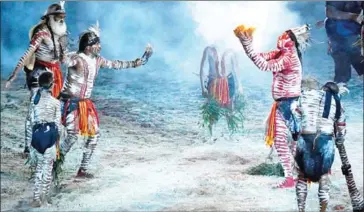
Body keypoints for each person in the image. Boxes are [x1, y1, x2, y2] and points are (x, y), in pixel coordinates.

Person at [56, 22, 152, 178]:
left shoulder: (98, 60)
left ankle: (83, 169)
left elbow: (115, 64)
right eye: (96, 44)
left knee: (94, 135)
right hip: (70, 103)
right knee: (72, 136)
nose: (99, 46)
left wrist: (136, 63)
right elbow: (64, 60)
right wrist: (62, 44)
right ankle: (56, 163)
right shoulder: (76, 58)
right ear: (88, 47)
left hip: (85, 104)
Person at [234, 24, 311, 188]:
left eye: (286, 36)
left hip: (289, 105)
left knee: (288, 141)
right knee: (283, 141)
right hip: (283, 104)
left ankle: (295, 176)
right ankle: (292, 177)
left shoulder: (289, 57)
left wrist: (247, 44)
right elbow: (259, 58)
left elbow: (264, 65)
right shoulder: (281, 54)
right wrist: (246, 44)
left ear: (291, 41)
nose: (281, 37)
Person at [4, 1, 68, 158]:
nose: (61, 20)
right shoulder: (41, 32)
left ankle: (50, 143)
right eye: (58, 17)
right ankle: (27, 146)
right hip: (39, 73)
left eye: (62, 17)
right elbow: (27, 53)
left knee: (55, 108)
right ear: (49, 18)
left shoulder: (61, 34)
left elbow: (63, 56)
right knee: (34, 109)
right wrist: (14, 74)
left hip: (54, 72)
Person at [295, 79, 346, 212]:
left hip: (305, 137)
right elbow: (341, 125)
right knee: (324, 176)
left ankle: (301, 209)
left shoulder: (302, 97)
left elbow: (295, 120)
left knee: (302, 175)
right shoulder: (337, 100)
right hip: (326, 139)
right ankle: (322, 210)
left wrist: (295, 136)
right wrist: (340, 138)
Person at [28, 71, 62, 207]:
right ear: (52, 85)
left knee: (39, 168)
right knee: (47, 169)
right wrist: (57, 141)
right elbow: (58, 125)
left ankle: (36, 198)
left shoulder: (34, 100)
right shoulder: (55, 103)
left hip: (36, 136)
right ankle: (44, 199)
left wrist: (29, 142)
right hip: (49, 135)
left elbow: (30, 121)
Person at [325, 1, 364, 85]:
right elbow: (330, 12)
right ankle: (337, 90)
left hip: (354, 34)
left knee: (358, 59)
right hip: (337, 35)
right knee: (342, 69)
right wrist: (353, 16)